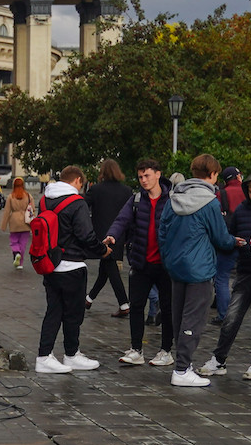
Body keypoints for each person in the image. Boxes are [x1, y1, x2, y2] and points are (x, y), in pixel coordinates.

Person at [157, 154, 237, 387]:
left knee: (179, 315)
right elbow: (221, 238)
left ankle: (181, 365)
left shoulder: (173, 198)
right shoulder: (210, 202)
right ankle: (182, 369)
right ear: (212, 175)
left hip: (175, 266)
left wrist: (168, 258)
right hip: (199, 268)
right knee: (194, 319)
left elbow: (162, 232)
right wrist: (235, 242)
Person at [34, 166, 107, 374]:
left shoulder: (45, 200)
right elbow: (86, 235)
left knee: (53, 311)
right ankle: (71, 355)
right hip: (72, 265)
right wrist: (103, 250)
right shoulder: (77, 203)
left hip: (50, 264)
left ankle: (44, 355)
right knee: (73, 314)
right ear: (77, 180)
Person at [199, 171, 251, 380]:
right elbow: (230, 233)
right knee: (231, 318)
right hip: (246, 270)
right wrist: (234, 242)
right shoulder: (242, 210)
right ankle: (219, 359)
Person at [105, 158, 175, 368]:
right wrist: (112, 235)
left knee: (167, 308)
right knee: (136, 306)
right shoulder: (136, 199)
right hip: (141, 261)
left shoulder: (172, 199)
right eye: (140, 177)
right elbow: (122, 220)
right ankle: (137, 349)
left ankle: (166, 350)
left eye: (147, 175)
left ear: (158, 174)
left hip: (166, 264)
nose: (143, 180)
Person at [84, 158, 132, 316]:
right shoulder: (127, 191)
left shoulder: (96, 189)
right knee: (105, 269)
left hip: (101, 236)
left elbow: (83, 206)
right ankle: (89, 299)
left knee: (110, 269)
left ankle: (124, 304)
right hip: (119, 234)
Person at [213, 167, 245, 320]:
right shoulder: (249, 191)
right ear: (238, 177)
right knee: (250, 278)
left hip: (228, 240)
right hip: (248, 240)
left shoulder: (222, 194)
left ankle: (223, 315)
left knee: (221, 277)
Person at [1, 176, 32, 267]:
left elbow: (7, 211)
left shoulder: (11, 197)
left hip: (14, 220)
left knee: (14, 240)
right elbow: (32, 209)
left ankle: (16, 252)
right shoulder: (28, 196)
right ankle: (20, 263)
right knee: (23, 242)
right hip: (26, 221)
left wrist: (3, 225)